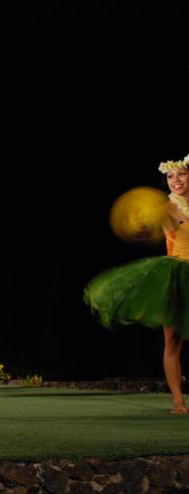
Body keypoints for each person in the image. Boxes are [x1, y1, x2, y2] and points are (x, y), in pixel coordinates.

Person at [85, 155, 189, 414]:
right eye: (170, 176)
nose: (175, 181)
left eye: (181, 174)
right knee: (173, 340)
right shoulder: (166, 208)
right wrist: (142, 223)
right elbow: (150, 222)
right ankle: (178, 402)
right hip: (178, 275)